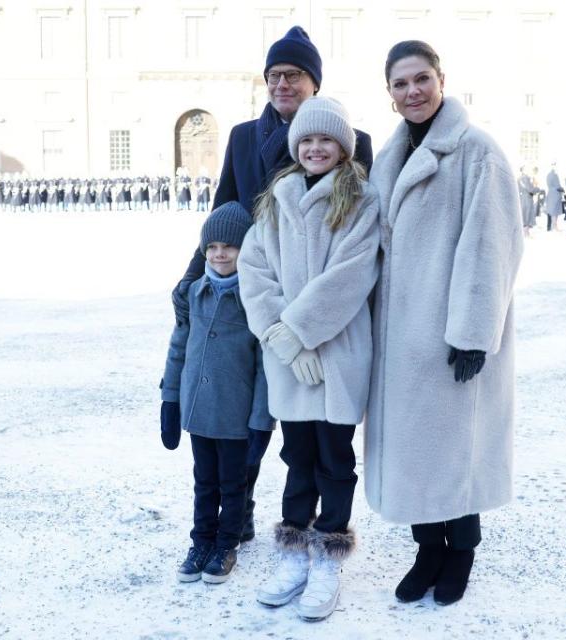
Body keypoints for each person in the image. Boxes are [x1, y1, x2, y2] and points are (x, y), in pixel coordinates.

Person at [167, 25, 375, 543]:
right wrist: (195, 273)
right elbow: (226, 210)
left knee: (319, 438)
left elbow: (362, 238)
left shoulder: (355, 143)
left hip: (323, 320)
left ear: (314, 84)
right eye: (275, 75)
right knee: (250, 421)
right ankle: (239, 512)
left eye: (295, 75)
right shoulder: (242, 135)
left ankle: (323, 529)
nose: (283, 84)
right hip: (253, 304)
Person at [365, 40, 523, 607]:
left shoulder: (476, 151)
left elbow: (492, 244)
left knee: (459, 446)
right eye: (400, 84)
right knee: (415, 451)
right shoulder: (388, 156)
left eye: (421, 79)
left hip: (450, 332)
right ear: (389, 95)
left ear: (441, 80)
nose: (412, 91)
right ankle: (427, 547)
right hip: (398, 335)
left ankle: (461, 552)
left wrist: (474, 333)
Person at [238, 97, 380, 621]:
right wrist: (282, 339)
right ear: (297, 147)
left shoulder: (362, 200)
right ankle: (294, 552)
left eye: (326, 140)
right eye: (307, 140)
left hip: (339, 355)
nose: (316, 148)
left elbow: (351, 276)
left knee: (335, 461)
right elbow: (254, 272)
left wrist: (298, 331)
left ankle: (328, 554)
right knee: (297, 457)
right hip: (288, 359)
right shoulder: (276, 199)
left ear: (343, 147)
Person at [159, 202, 274, 585]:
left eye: (229, 246)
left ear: (245, 250)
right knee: (203, 481)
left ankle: (227, 544)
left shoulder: (255, 298)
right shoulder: (194, 293)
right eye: (211, 247)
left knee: (233, 483)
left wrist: (261, 421)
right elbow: (178, 348)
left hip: (235, 416)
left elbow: (265, 367)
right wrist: (170, 399)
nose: (219, 254)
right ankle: (201, 541)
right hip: (198, 411)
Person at [518, 166, 539, 237]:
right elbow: (530, 189)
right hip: (526, 198)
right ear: (523, 170)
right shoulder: (525, 178)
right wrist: (537, 189)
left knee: (525, 214)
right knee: (527, 214)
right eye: (526, 169)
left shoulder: (520, 178)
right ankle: (526, 233)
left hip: (523, 198)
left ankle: (526, 233)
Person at [545, 162, 564, 231]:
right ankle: (554, 226)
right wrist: (563, 189)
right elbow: (557, 186)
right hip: (555, 195)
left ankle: (553, 226)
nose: (556, 167)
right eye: (555, 166)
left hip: (551, 194)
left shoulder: (549, 175)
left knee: (553, 211)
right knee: (554, 212)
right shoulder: (554, 175)